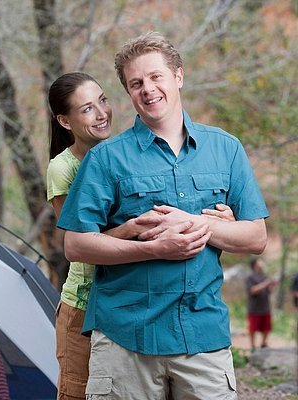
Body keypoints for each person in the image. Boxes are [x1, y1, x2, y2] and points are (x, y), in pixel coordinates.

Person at [57, 31, 268, 399]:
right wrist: (155, 248)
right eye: (136, 83)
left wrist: (199, 224)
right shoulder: (106, 159)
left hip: (202, 335)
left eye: (156, 77)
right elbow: (75, 245)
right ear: (128, 92)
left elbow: (256, 237)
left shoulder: (225, 148)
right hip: (125, 337)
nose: (148, 89)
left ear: (178, 77)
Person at [245, 257, 278, 350]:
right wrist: (266, 284)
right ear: (255, 264)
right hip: (254, 307)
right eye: (260, 261)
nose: (262, 263)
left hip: (265, 306)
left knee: (266, 326)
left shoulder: (265, 276)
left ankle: (264, 343)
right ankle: (252, 345)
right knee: (253, 327)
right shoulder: (250, 277)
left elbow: (270, 291)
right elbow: (252, 290)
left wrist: (273, 285)